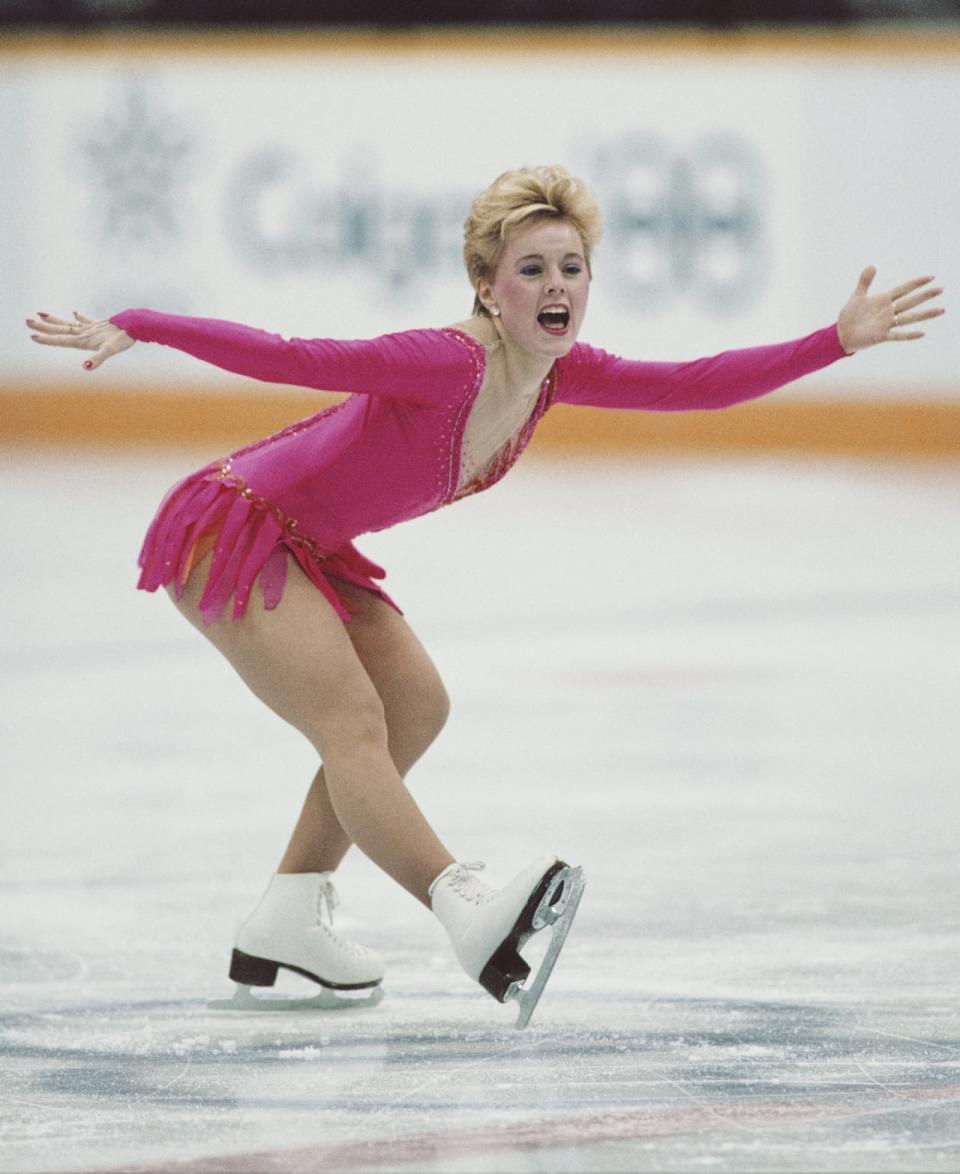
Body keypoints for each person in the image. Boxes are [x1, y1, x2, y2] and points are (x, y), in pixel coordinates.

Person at [27, 165, 945, 1025]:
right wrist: (142, 321)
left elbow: (692, 387)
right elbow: (293, 355)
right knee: (351, 722)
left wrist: (835, 341)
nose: (557, 287)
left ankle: (286, 917)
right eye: (531, 269)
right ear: (486, 287)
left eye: (572, 268)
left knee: (416, 707)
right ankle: (463, 906)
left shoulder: (556, 378)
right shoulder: (445, 363)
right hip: (234, 525)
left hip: (311, 544)